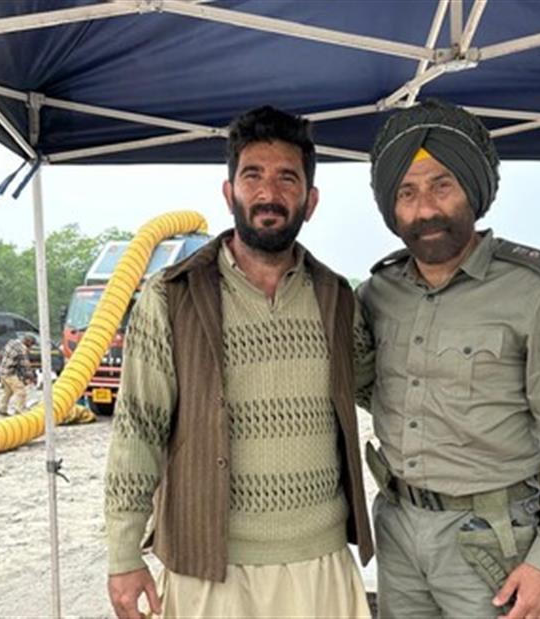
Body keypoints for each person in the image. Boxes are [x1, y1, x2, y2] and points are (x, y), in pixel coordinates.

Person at [104, 106, 373, 619]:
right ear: (229, 194)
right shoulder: (171, 296)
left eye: (287, 178)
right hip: (209, 572)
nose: (269, 193)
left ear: (311, 200)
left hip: (321, 562)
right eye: (253, 176)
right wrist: (123, 554)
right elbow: (138, 429)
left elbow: (384, 393)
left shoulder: (338, 298)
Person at [357, 99, 540, 619]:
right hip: (397, 528)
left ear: (473, 190)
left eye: (441, 185)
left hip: (492, 538)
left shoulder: (537, 289)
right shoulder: (379, 292)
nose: (425, 209)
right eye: (406, 192)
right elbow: (369, 389)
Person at [0, 333, 36, 416]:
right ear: (28, 342)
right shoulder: (21, 349)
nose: (31, 347)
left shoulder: (12, 342)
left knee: (8, 392)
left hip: (2, 371)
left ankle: (2, 409)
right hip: (9, 373)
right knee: (21, 391)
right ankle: (21, 410)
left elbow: (1, 354)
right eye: (31, 344)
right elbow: (25, 366)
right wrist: (32, 377)